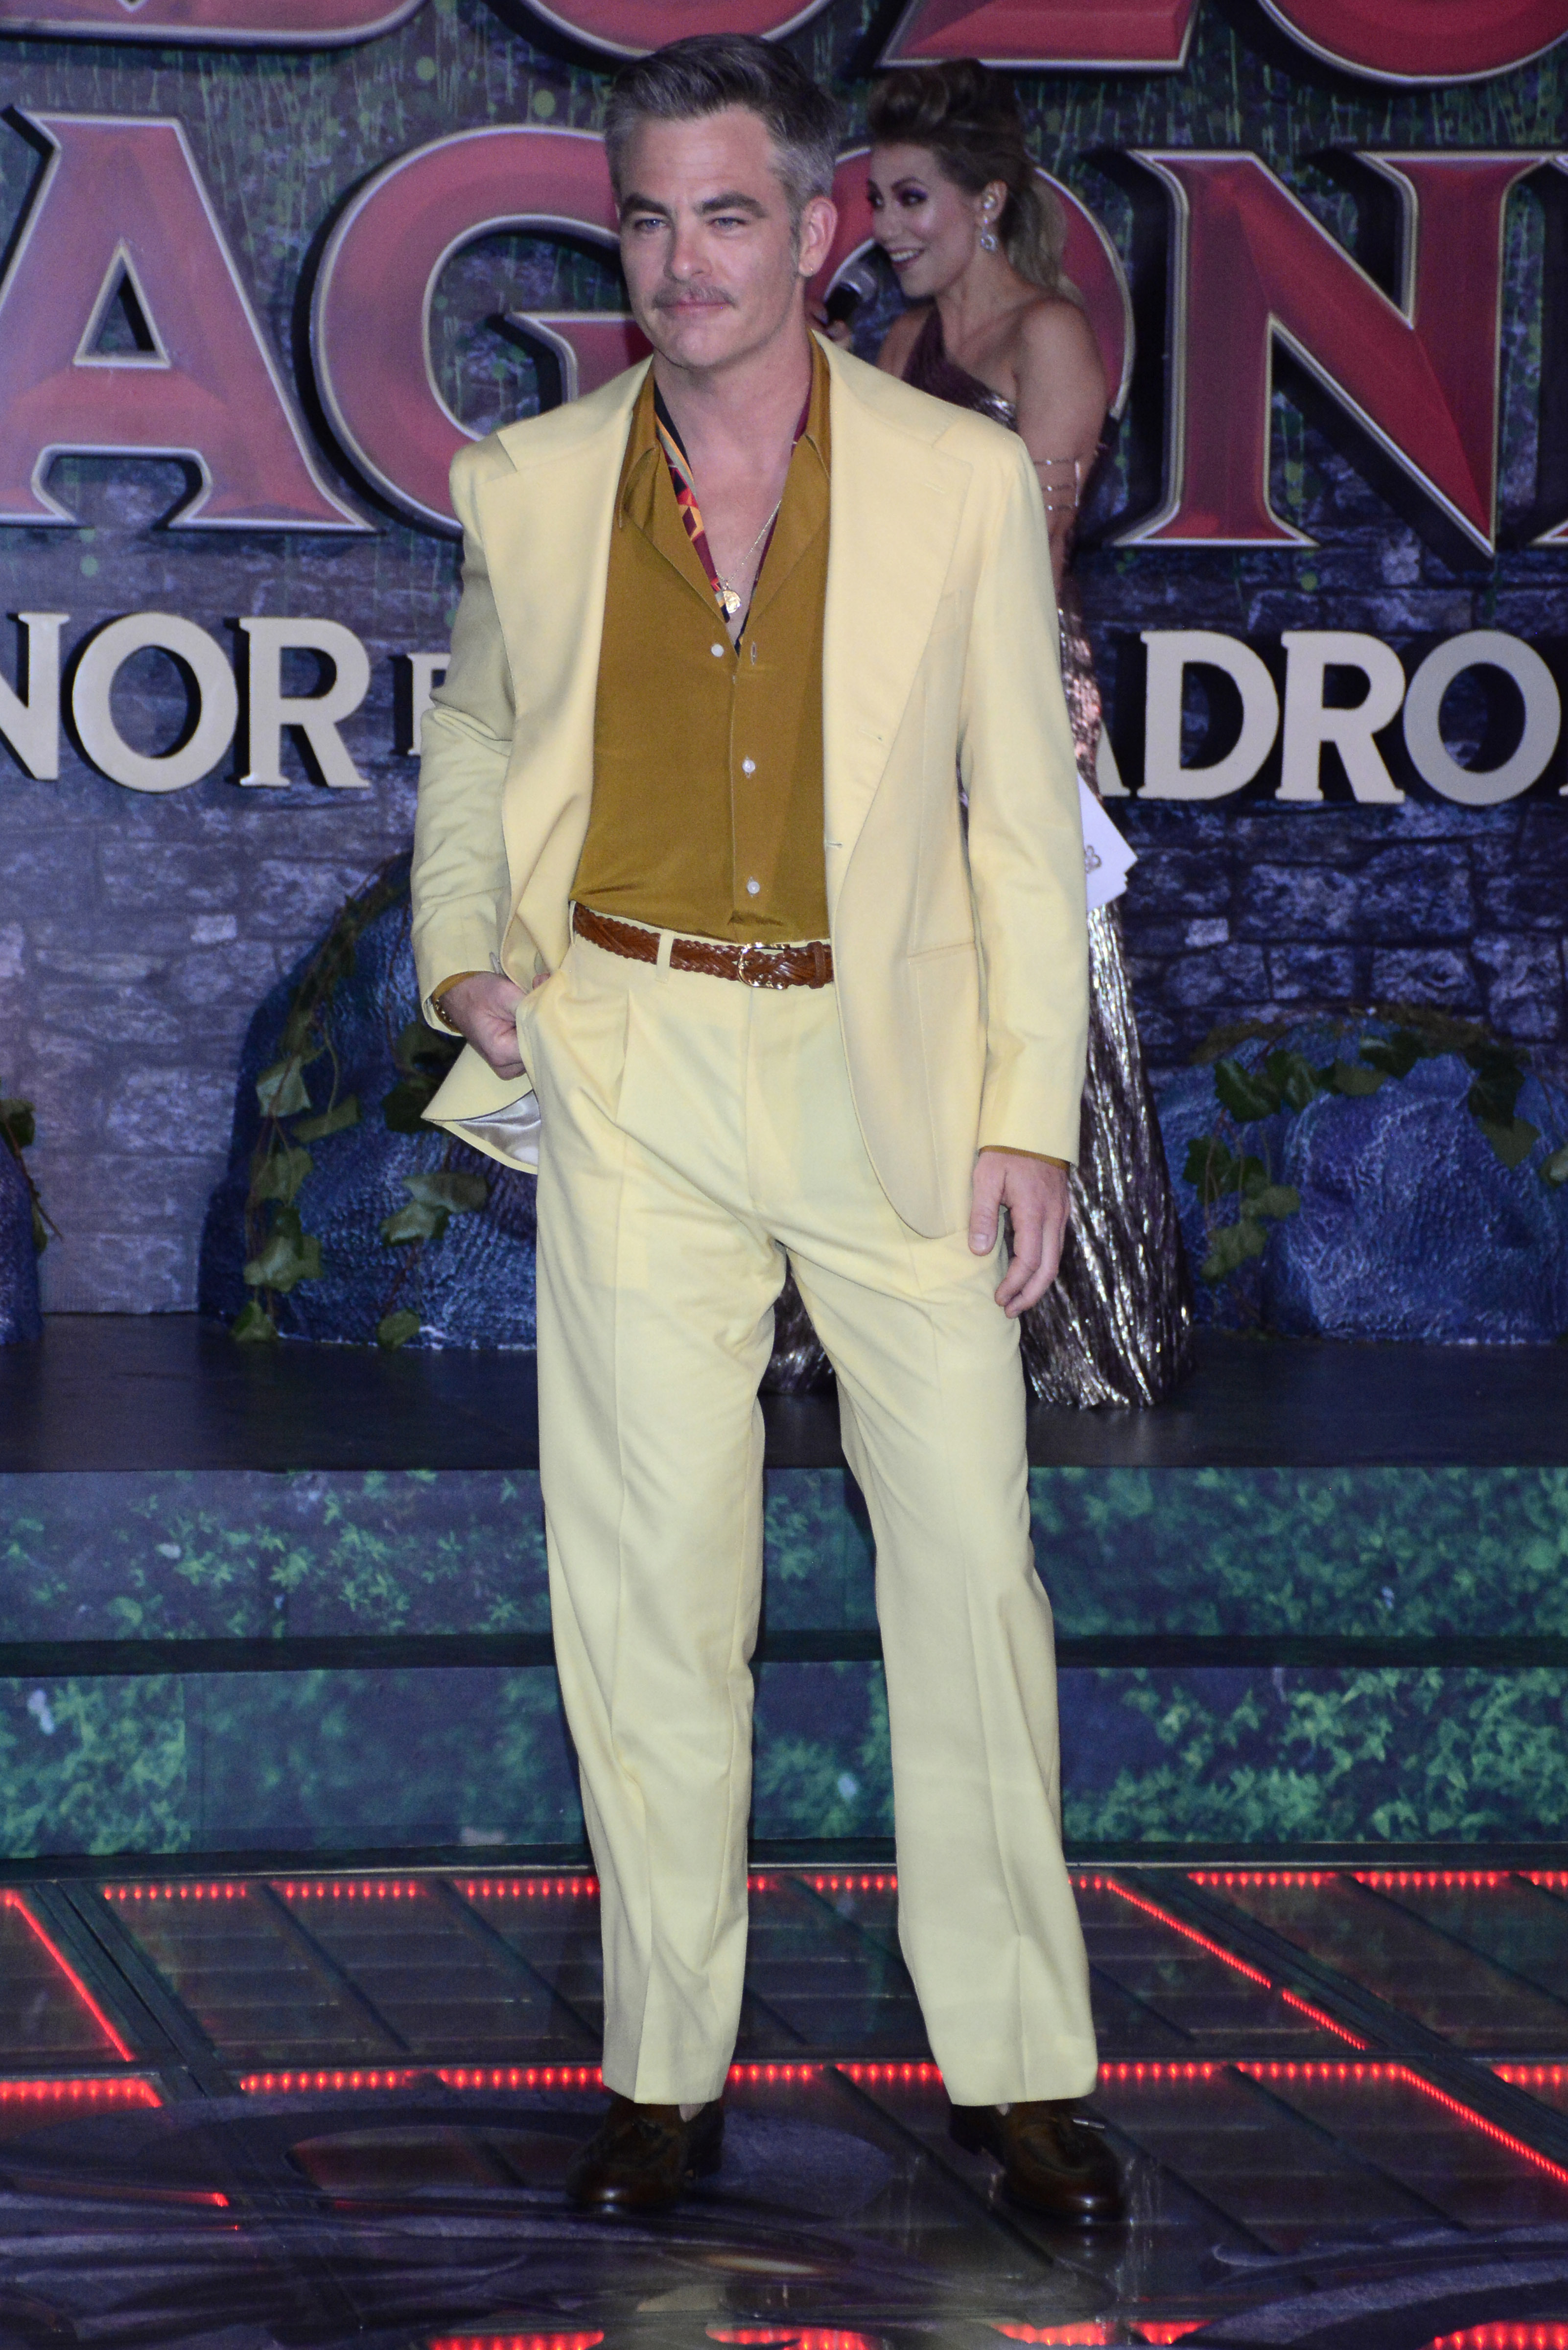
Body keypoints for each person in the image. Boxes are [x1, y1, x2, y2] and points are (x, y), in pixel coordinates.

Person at [411, 33, 1121, 2225]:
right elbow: (474, 736)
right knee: (646, 1592)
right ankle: (662, 2075)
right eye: (650, 216)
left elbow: (1024, 826)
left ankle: (1019, 2074)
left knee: (970, 1575)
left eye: (730, 213)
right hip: (627, 1054)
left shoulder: (956, 480)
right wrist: (462, 952)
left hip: (889, 1075)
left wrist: (1028, 1116)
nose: (685, 258)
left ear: (816, 232)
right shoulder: (531, 483)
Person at [866, 61, 1193, 1408]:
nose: (887, 225)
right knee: (899, 978)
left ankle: (1074, 1322)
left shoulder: (1047, 334)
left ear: (986, 200)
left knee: (1030, 974)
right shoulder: (894, 345)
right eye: (876, 199)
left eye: (912, 198)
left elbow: (1033, 549)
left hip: (1007, 683)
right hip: (895, 685)